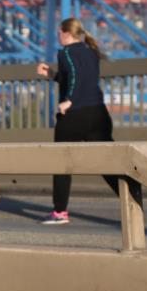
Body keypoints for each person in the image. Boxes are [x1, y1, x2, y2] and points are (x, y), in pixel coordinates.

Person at [36, 17, 140, 224]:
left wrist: (69, 101)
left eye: (59, 33)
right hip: (99, 114)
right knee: (107, 162)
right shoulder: (91, 52)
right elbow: (79, 78)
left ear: (66, 33)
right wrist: (53, 75)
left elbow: (75, 77)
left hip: (75, 116)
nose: (58, 37)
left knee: (62, 162)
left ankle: (60, 212)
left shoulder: (65, 52)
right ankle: (133, 194)